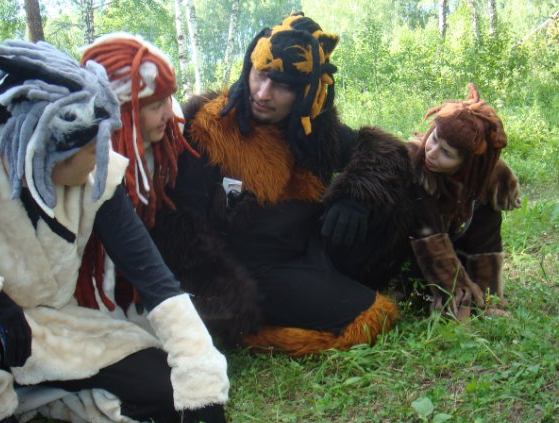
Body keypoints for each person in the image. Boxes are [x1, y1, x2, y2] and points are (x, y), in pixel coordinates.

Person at [0, 40, 228, 423]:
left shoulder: (98, 177)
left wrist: (201, 380)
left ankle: (33, 398)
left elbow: (154, 279)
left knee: (166, 392)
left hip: (54, 329)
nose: (100, 157)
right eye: (89, 150)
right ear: (47, 151)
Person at [152, 12, 415, 356]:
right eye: (260, 75)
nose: (263, 93)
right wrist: (227, 294)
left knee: (392, 201)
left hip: (306, 252)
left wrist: (356, 196)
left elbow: (385, 151)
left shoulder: (315, 128)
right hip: (245, 273)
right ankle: (254, 332)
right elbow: (180, 224)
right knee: (371, 318)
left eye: (284, 85)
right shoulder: (209, 127)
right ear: (249, 67)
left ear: (306, 92)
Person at [76, 33, 261, 345]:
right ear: (123, 111)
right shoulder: (84, 162)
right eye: (155, 105)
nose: (169, 113)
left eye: (168, 100)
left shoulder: (169, 137)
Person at [401, 83, 520, 319]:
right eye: (434, 139)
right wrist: (457, 297)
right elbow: (429, 238)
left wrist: (487, 300)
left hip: (452, 243)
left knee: (486, 211)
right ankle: (451, 299)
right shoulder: (414, 166)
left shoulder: (481, 177)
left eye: (446, 153)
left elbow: (485, 242)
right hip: (410, 252)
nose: (432, 152)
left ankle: (486, 297)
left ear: (467, 165)